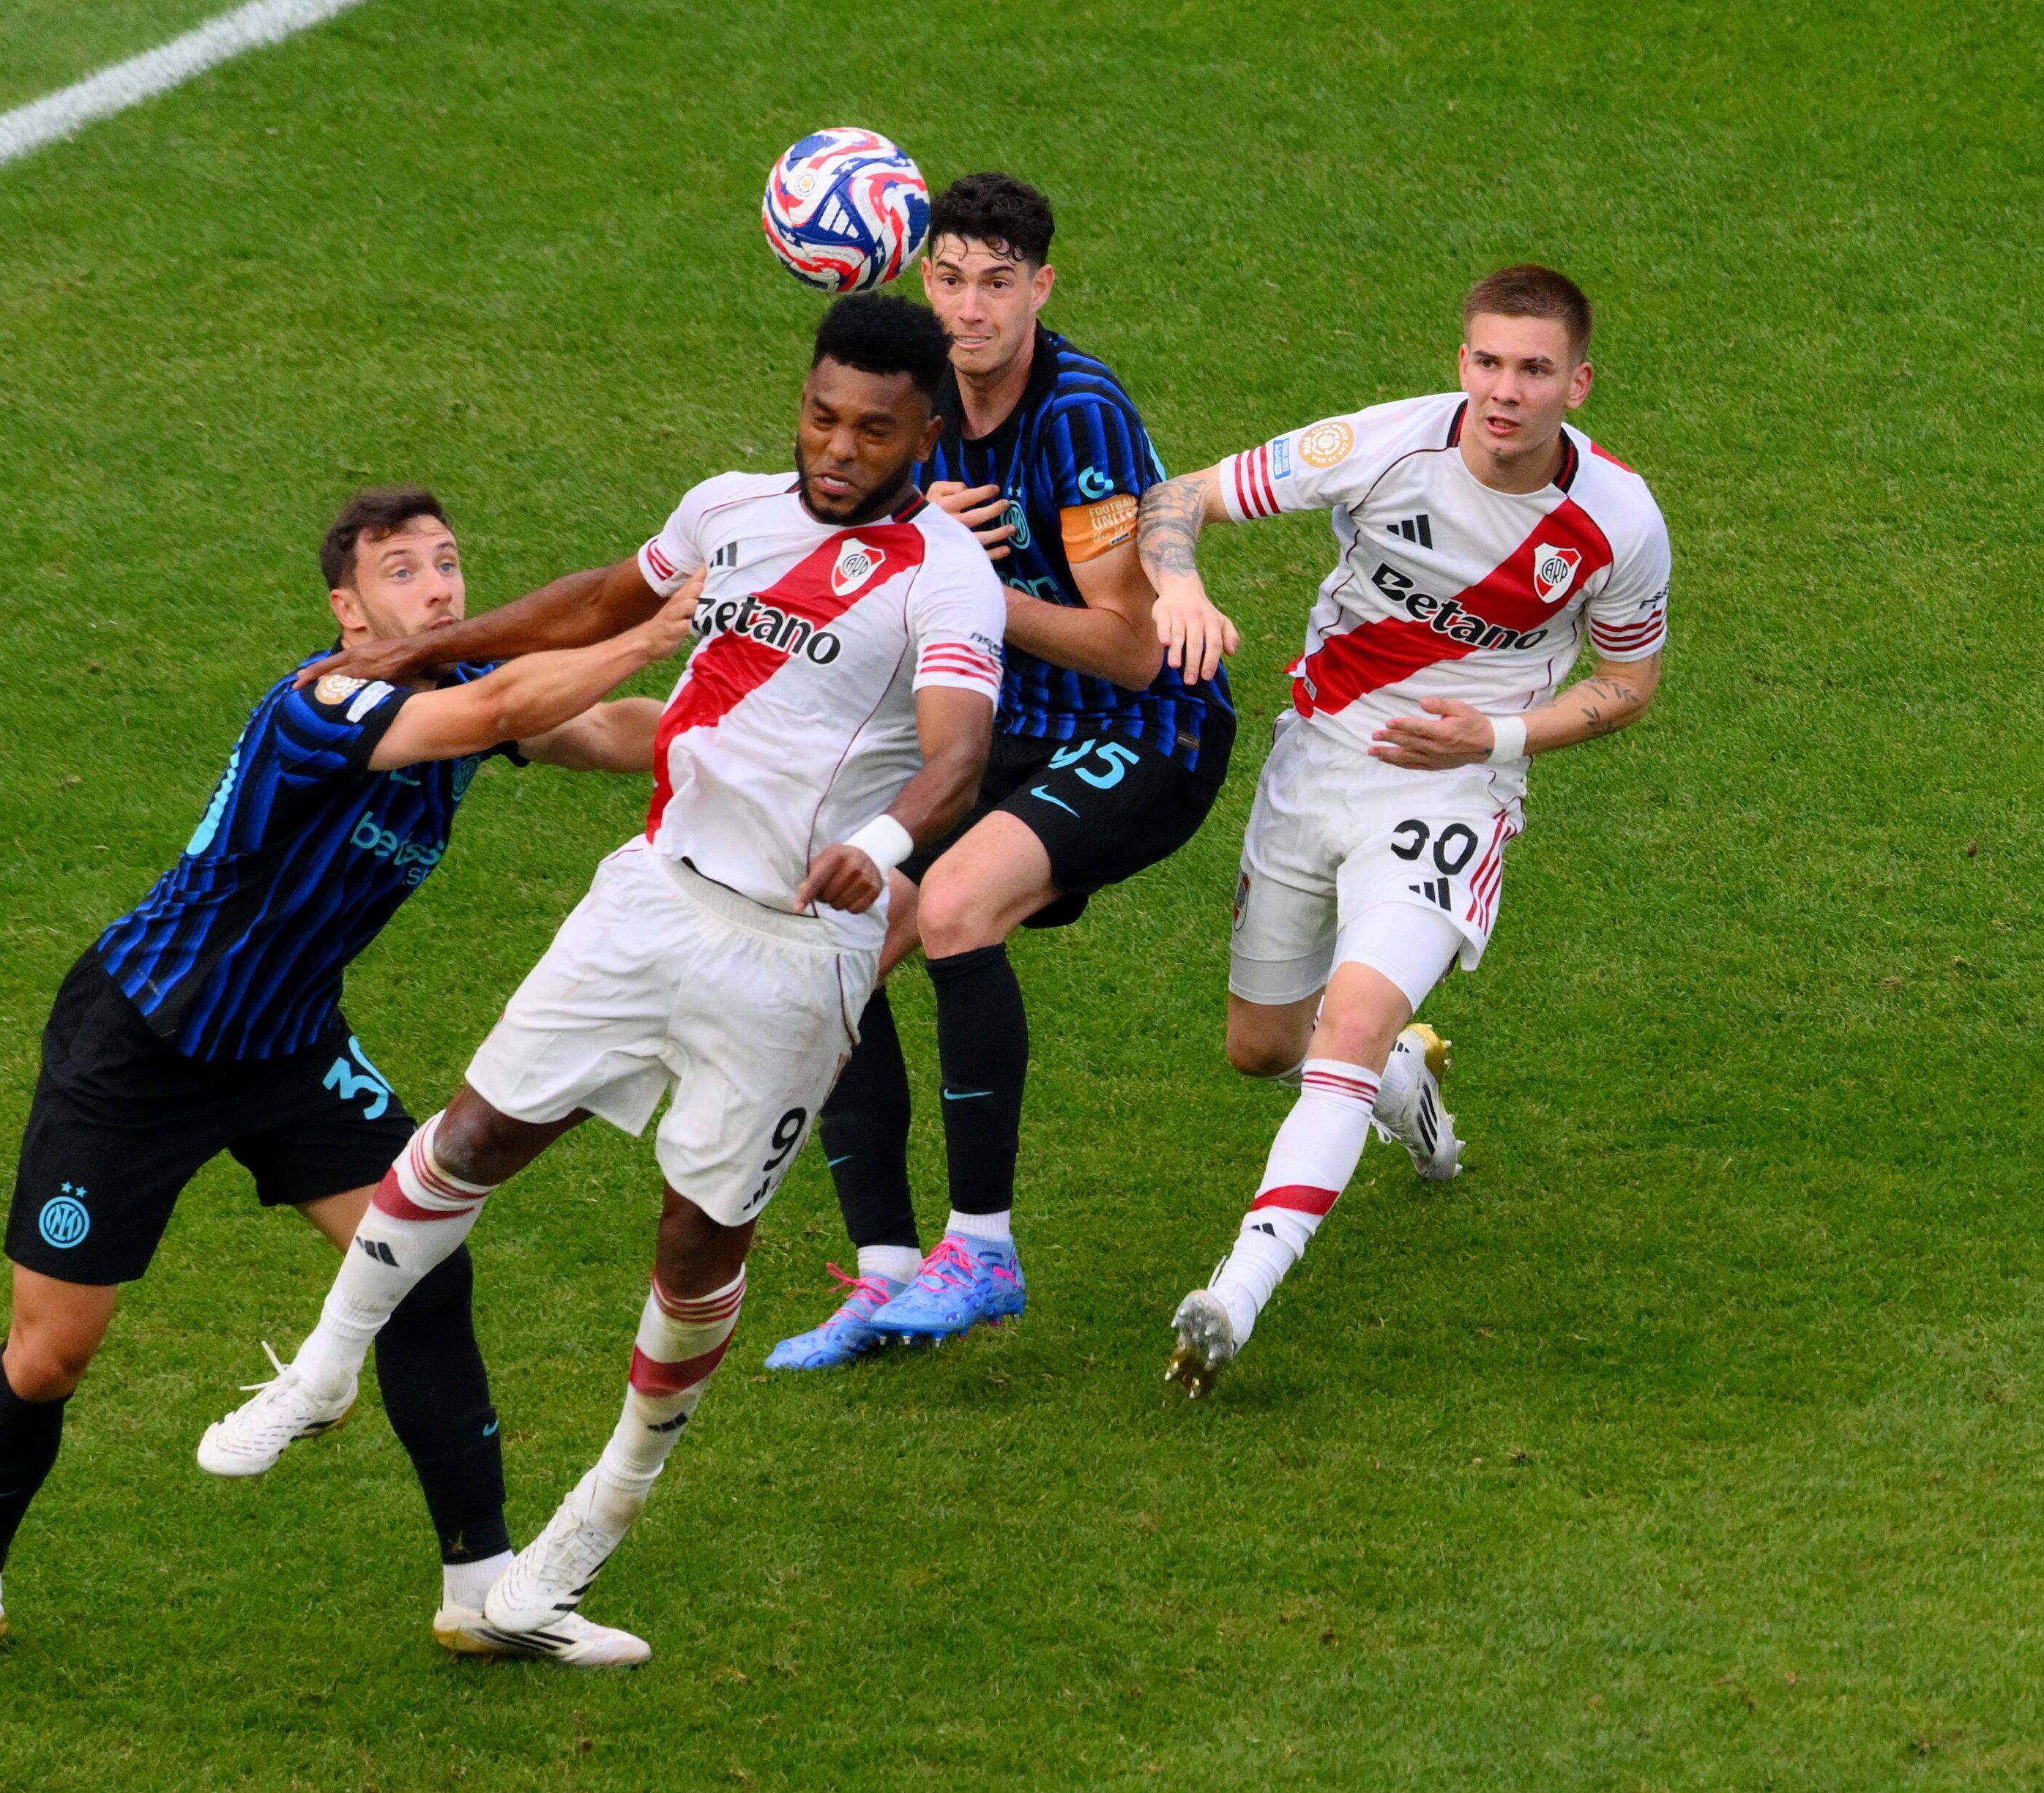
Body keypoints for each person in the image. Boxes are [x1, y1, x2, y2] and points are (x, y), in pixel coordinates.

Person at [202, 293, 1005, 1650]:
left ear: (925, 429)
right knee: (470, 1134)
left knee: (698, 1244)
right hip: (650, 902)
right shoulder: (729, 508)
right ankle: (327, 1369)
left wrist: (880, 840)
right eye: (821, 414)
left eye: (873, 429)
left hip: (797, 956)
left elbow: (957, 750)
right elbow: (595, 601)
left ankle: (595, 1520)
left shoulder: (949, 575)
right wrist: (429, 649)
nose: (837, 446)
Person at [0, 488, 695, 1686]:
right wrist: (653, 625)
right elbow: (517, 699)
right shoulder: (327, 702)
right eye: (404, 572)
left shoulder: (458, 707)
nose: (441, 587)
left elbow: (601, 730)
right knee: (50, 1356)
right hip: (139, 1049)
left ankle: (482, 1591)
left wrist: (752, 736)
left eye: (451, 563)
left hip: (289, 1048)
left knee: (421, 1265)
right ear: (348, 612)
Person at [1135, 264, 1671, 1395]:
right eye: (1488, 361)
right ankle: (1404, 1085)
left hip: (1451, 794)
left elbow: (1630, 686)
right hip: (1318, 759)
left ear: (1578, 382)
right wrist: (1177, 587)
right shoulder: (1384, 445)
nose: (1506, 390)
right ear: (1461, 362)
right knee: (1263, 1047)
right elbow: (1178, 495)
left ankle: (1233, 1295)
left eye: (1534, 369)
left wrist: (1498, 739)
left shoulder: (1617, 522)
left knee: (1349, 1025)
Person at [766, 172, 1236, 1368]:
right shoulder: (913, 407)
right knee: (835, 927)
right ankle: (883, 1273)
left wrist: (975, 585)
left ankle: (985, 1249)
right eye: (949, 278)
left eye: (996, 284)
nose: (969, 309)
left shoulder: (1080, 417)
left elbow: (1133, 649)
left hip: (1146, 735)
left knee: (961, 905)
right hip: (1009, 734)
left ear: (1041, 288)